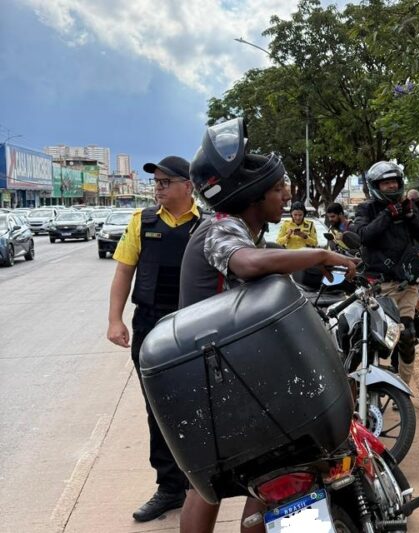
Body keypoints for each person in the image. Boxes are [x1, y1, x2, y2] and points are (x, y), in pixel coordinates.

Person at [177, 118, 357, 533]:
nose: (286, 196)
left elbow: (266, 272)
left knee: (264, 473)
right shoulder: (221, 227)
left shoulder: (244, 230)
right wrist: (319, 256)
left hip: (229, 375)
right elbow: (246, 264)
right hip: (213, 378)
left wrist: (326, 264)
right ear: (253, 197)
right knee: (209, 486)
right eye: (278, 190)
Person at [106, 156, 198, 522]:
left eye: (165, 181)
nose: (157, 187)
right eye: (156, 182)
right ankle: (170, 488)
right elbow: (123, 272)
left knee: (197, 406)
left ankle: (201, 482)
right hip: (149, 324)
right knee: (157, 409)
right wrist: (115, 320)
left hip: (192, 325)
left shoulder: (206, 226)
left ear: (188, 186)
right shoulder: (141, 222)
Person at [351, 161, 419, 384]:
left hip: (407, 285)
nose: (391, 186)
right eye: (385, 183)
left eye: (394, 182)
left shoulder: (409, 208)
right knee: (376, 337)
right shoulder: (366, 209)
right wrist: (387, 214)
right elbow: (362, 236)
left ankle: (405, 387)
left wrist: (410, 216)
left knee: (407, 336)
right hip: (380, 287)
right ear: (376, 186)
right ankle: (360, 384)